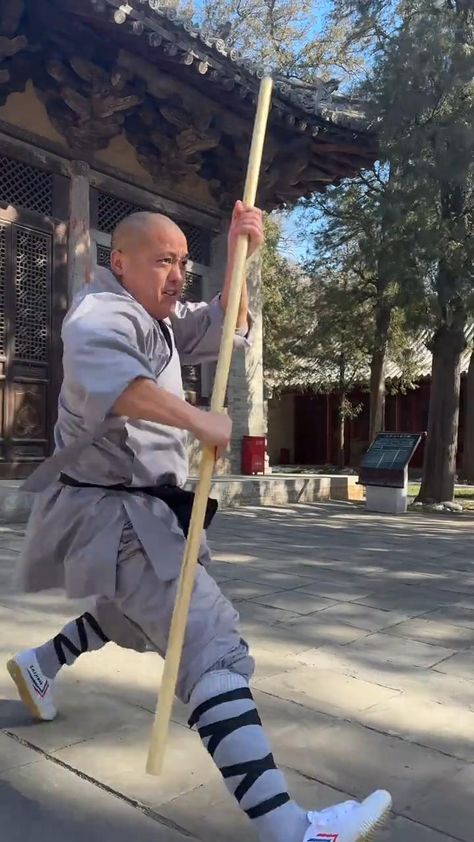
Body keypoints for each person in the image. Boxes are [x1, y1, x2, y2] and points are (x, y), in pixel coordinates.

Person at [8, 203, 392, 842]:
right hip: (115, 510)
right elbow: (117, 384)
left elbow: (223, 323)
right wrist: (199, 421)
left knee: (135, 615)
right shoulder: (101, 312)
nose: (178, 274)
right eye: (164, 260)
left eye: (184, 261)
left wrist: (246, 254)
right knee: (210, 641)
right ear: (119, 262)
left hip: (139, 509)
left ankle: (43, 661)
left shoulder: (159, 318)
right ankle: (292, 830)